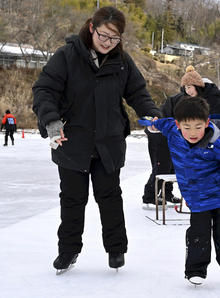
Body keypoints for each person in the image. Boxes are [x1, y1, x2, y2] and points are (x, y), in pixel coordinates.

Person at [32, 6, 162, 272]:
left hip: (109, 142)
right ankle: (68, 251)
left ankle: (116, 250)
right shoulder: (67, 56)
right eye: (104, 35)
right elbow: (45, 89)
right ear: (92, 27)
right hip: (72, 141)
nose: (108, 43)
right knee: (72, 198)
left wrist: (152, 116)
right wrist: (51, 121)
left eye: (115, 38)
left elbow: (138, 92)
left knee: (110, 196)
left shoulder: (122, 61)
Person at [141, 97, 220, 285]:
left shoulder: (218, 143)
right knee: (198, 235)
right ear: (178, 125)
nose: (193, 133)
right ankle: (196, 270)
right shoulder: (174, 132)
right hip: (197, 198)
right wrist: (152, 124)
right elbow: (163, 123)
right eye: (187, 127)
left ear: (207, 123)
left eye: (198, 127)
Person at [141, 65, 220, 210]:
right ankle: (149, 197)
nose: (188, 91)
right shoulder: (185, 99)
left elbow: (219, 124)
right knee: (162, 166)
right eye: (186, 88)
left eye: (190, 87)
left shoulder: (210, 100)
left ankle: (167, 194)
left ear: (199, 85)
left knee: (173, 165)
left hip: (178, 136)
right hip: (159, 133)